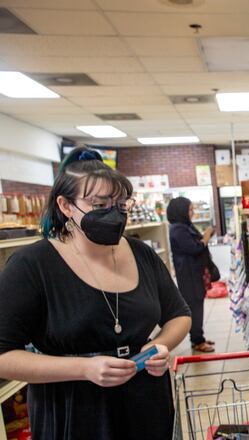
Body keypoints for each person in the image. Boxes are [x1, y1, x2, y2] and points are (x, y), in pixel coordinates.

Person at [0, 147, 192, 439]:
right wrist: (84, 368)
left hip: (146, 406)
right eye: (100, 204)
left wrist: (161, 346)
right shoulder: (32, 266)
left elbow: (179, 314)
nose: (113, 214)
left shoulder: (141, 254)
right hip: (74, 411)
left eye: (121, 205)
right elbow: (3, 355)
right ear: (65, 206)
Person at [167, 197, 216, 353]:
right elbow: (194, 248)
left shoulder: (184, 226)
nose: (192, 213)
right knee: (195, 307)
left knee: (197, 306)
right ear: (181, 211)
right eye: (189, 209)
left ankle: (198, 337)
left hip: (194, 274)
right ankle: (197, 341)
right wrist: (206, 236)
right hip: (189, 276)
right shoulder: (178, 229)